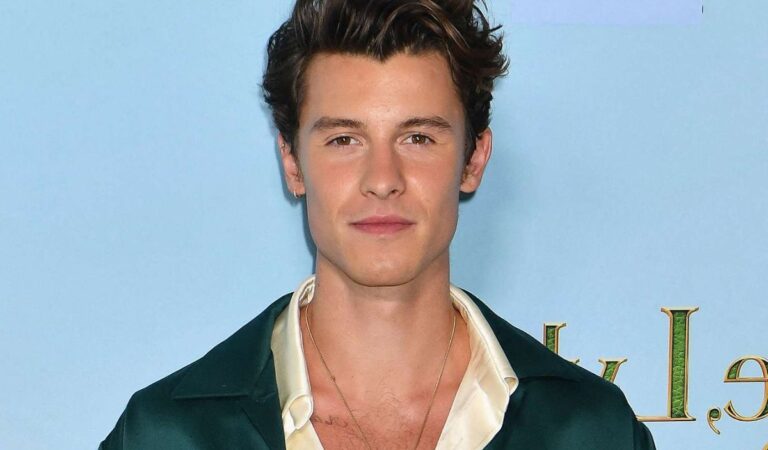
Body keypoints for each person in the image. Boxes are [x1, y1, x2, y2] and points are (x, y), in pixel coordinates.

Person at [100, 0, 656, 448]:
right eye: (345, 139)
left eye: (418, 138)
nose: (383, 179)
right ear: (292, 162)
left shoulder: (592, 432)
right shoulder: (166, 436)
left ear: (473, 159)